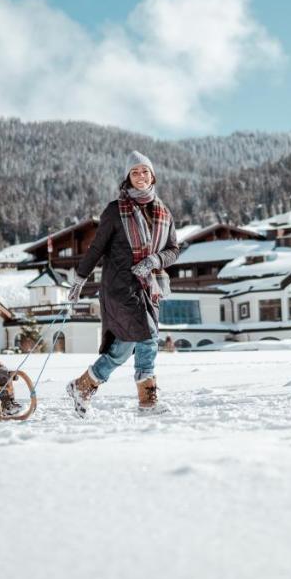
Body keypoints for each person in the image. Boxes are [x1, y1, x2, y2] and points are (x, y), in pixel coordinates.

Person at [65, 151, 179, 417]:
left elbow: (174, 249)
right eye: (135, 172)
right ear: (128, 177)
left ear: (153, 176)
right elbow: (96, 248)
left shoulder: (163, 212)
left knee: (125, 347)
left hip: (149, 286)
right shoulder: (115, 210)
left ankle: (83, 385)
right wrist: (80, 278)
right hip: (120, 286)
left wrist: (154, 260)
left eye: (145, 171)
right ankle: (147, 402)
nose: (140, 176)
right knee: (149, 336)